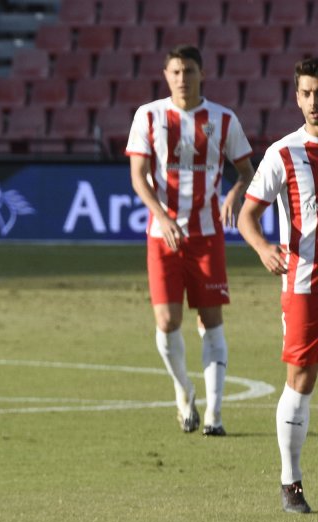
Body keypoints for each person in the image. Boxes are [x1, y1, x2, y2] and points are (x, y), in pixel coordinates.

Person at [126, 44, 254, 436]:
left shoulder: (223, 119)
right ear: (166, 75)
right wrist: (161, 217)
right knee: (167, 322)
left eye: (189, 71)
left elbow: (246, 171)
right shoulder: (148, 116)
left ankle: (214, 415)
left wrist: (234, 193)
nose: (183, 78)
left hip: (208, 236)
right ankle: (184, 393)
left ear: (202, 74)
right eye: (176, 71)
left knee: (212, 320)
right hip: (162, 236)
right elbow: (138, 176)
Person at [235, 57, 318, 514]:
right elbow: (247, 216)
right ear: (297, 96)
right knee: (301, 379)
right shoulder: (284, 153)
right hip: (305, 282)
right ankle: (291, 482)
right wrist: (264, 247)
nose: (314, 101)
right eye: (307, 93)